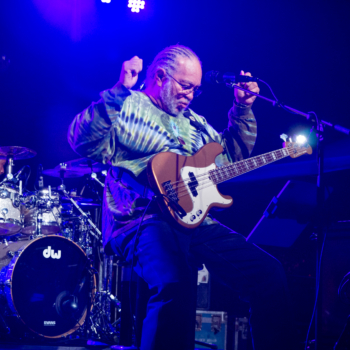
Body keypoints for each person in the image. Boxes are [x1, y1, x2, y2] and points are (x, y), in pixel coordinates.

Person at [68, 45, 293, 350]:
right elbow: (80, 140)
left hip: (195, 221)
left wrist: (242, 109)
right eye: (185, 86)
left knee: (269, 275)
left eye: (195, 90)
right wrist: (118, 92)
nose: (190, 94)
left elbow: (229, 159)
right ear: (160, 76)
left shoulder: (195, 123)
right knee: (175, 283)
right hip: (141, 217)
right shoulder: (129, 107)